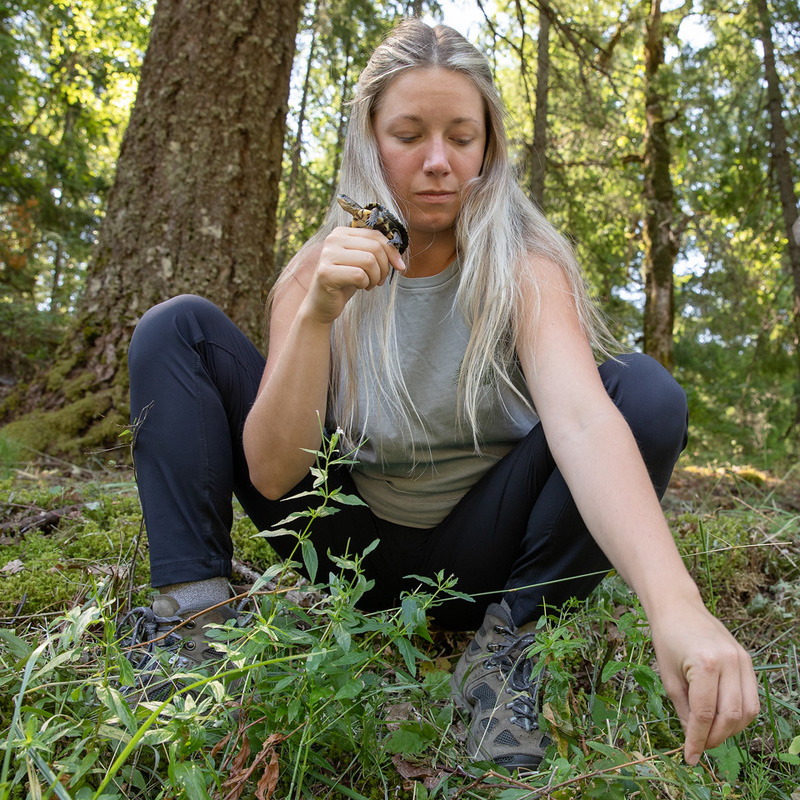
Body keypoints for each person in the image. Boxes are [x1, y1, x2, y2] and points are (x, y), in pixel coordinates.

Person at [127, 19, 759, 770]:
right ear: (369, 138)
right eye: (408, 134)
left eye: (461, 136)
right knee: (177, 328)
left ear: (488, 145)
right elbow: (270, 476)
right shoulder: (314, 272)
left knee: (646, 393)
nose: (437, 163)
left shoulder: (526, 266)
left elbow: (586, 422)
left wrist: (677, 606)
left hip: (485, 560)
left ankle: (503, 655)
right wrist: (316, 316)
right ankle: (190, 623)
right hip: (347, 550)